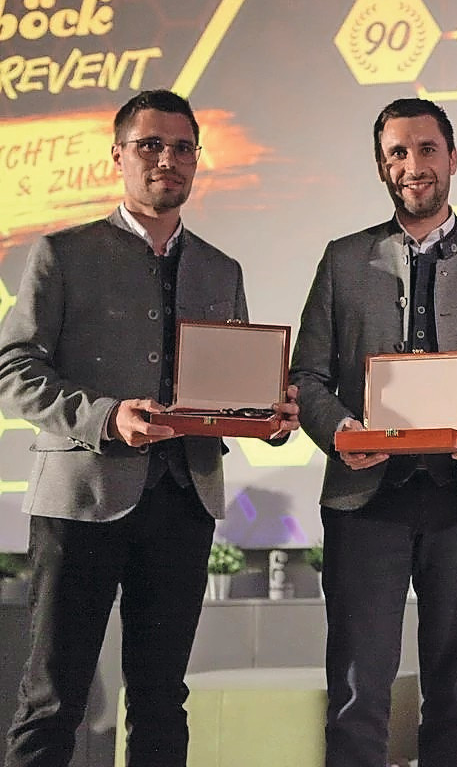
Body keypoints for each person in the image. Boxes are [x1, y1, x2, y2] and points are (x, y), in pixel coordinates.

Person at [0, 89, 300, 767]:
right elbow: (12, 367)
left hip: (182, 501)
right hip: (79, 501)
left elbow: (234, 393)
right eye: (150, 145)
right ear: (118, 156)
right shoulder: (61, 252)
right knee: (52, 699)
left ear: (198, 161)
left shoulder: (223, 270)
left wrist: (271, 420)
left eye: (183, 147)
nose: (168, 158)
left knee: (162, 698)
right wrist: (106, 417)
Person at [289, 97, 457, 767]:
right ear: (382, 166)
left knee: (454, 692)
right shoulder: (344, 261)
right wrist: (342, 429)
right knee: (355, 692)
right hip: (365, 497)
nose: (412, 165)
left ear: (453, 158)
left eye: (426, 149)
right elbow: (306, 377)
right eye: (397, 153)